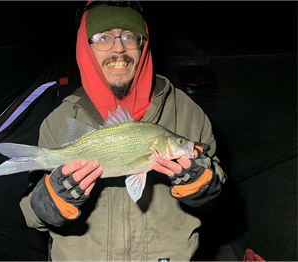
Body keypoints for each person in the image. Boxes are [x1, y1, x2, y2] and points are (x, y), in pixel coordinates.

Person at [20, 0, 226, 261]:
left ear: (143, 45)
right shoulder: (59, 119)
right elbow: (30, 214)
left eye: (129, 36)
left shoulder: (187, 111)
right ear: (86, 48)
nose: (119, 48)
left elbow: (215, 199)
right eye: (103, 37)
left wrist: (201, 185)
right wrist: (52, 199)